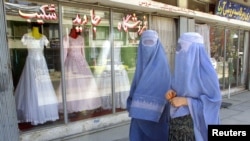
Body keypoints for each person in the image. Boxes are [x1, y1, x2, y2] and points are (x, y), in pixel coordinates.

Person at [165, 32, 222, 141]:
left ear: (195, 51)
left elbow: (214, 102)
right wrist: (170, 93)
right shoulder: (180, 70)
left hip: (196, 131)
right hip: (175, 128)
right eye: (178, 48)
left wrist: (186, 101)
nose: (179, 52)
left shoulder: (208, 73)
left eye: (183, 48)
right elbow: (177, 90)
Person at [127, 30, 171, 141]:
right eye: (145, 42)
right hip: (138, 121)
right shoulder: (140, 66)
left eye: (151, 42)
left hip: (158, 118)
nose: (148, 46)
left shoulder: (163, 68)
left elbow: (166, 92)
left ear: (157, 45)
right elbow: (134, 88)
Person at [15, 23, 59, 125]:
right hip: (31, 63)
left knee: (43, 85)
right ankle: (33, 114)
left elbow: (46, 45)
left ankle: (46, 113)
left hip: (41, 63)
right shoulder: (26, 36)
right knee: (32, 86)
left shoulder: (43, 37)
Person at [56, 26, 101, 113]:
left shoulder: (81, 38)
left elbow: (82, 51)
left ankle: (86, 104)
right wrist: (62, 63)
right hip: (71, 61)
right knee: (72, 84)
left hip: (81, 61)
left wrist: (84, 62)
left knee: (84, 83)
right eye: (72, 29)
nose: (74, 31)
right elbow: (64, 52)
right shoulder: (66, 38)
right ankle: (73, 106)